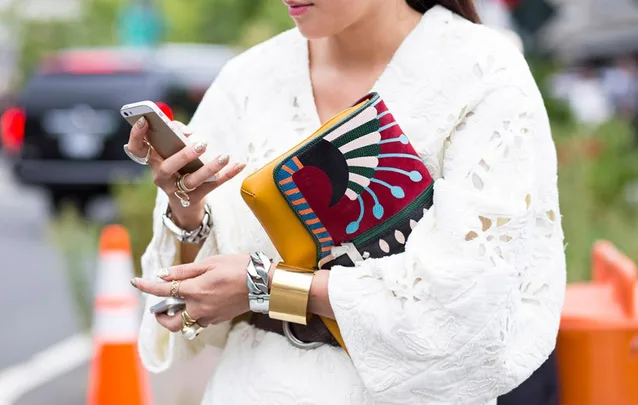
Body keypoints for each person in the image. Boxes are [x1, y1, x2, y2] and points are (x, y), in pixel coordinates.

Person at [127, 0, 567, 403]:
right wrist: (187, 209)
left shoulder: (481, 72)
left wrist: (263, 288)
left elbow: (465, 307)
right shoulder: (249, 79)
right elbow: (180, 312)